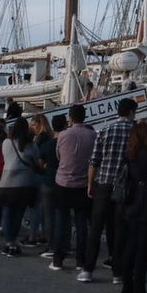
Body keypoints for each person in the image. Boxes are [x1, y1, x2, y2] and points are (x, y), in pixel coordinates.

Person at [85, 97, 138, 282]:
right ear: (131, 112)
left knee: (96, 227)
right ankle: (117, 272)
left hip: (103, 183)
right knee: (118, 229)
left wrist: (90, 183)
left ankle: (87, 269)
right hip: (124, 186)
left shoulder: (106, 130)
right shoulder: (135, 132)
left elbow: (94, 161)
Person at [117, 121, 147, 293]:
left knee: (131, 246)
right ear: (145, 136)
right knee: (144, 249)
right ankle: (139, 290)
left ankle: (127, 285)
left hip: (131, 203)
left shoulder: (130, 154)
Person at [52, 103, 96, 277]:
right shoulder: (93, 135)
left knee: (61, 222)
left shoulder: (63, 135)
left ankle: (58, 259)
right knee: (81, 223)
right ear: (85, 117)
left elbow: (58, 156)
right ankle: (80, 260)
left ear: (70, 117)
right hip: (83, 183)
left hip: (63, 182)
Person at [0, 118, 42, 258]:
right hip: (25, 184)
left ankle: (8, 241)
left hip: (6, 183)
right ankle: (13, 242)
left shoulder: (6, 143)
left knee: (6, 213)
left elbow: (5, 158)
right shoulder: (31, 145)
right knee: (18, 215)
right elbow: (36, 161)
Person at [26, 114, 57, 249]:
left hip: (40, 174)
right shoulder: (49, 137)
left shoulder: (40, 139)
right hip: (49, 175)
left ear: (40, 124)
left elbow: (39, 158)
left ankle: (33, 235)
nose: (32, 128)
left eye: (34, 125)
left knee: (37, 207)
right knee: (45, 208)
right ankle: (44, 234)